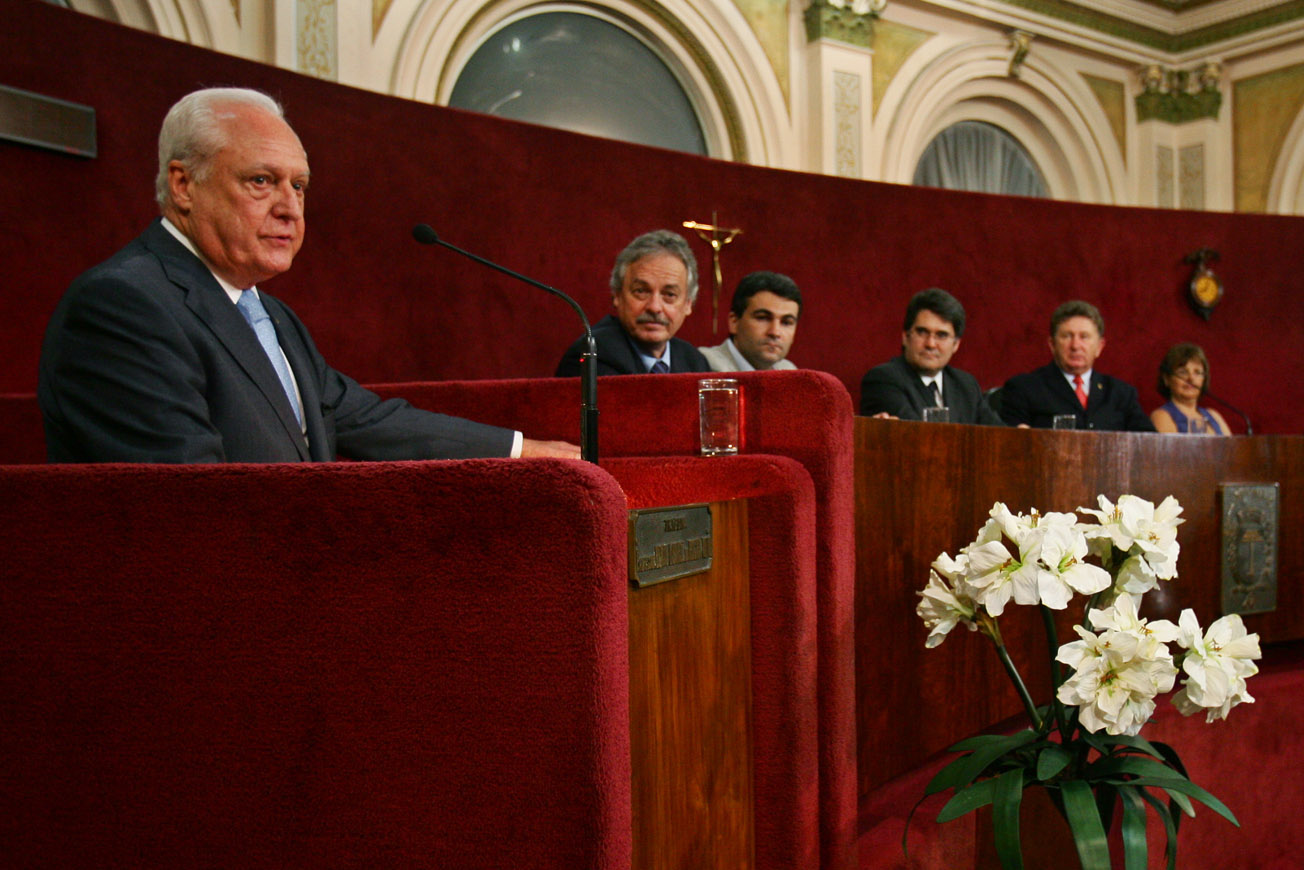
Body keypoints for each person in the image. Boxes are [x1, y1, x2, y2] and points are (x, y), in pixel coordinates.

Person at [38, 87, 578, 463]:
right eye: (261, 181)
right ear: (183, 185)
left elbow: (362, 419)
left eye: (299, 186)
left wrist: (521, 450)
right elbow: (188, 503)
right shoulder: (123, 305)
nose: (290, 208)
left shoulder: (268, 312)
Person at [555, 230, 711, 376]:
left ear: (688, 304)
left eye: (669, 294)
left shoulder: (695, 363)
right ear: (617, 295)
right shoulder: (591, 355)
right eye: (641, 291)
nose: (654, 307)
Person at [999, 300, 1154, 431]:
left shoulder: (1121, 394)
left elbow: (1150, 442)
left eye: (1084, 337)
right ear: (1052, 344)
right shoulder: (1024, 388)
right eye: (1067, 336)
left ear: (1099, 347)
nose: (1075, 345)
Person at [858, 288, 1004, 424]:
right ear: (905, 336)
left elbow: (998, 436)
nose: (931, 344)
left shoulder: (966, 385)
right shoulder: (883, 379)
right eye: (922, 332)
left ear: (956, 344)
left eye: (941, 335)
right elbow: (918, 435)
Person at [698, 271, 801, 372]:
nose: (775, 332)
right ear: (734, 322)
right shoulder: (701, 364)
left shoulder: (788, 371)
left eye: (786, 323)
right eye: (763, 318)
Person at [1150, 343, 1230, 435]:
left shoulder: (1214, 416)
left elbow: (1233, 449)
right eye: (1183, 372)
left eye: (1197, 372)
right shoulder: (1161, 416)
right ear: (1167, 379)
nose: (1191, 378)